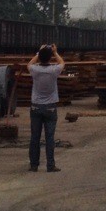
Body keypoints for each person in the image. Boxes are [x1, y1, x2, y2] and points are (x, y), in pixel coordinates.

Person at [27, 43, 65, 172]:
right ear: (50, 58)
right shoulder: (54, 70)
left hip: (36, 107)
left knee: (35, 138)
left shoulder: (35, 70)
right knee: (50, 138)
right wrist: (55, 52)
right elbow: (62, 62)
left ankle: (34, 165)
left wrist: (39, 52)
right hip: (50, 108)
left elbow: (29, 64)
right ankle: (50, 165)